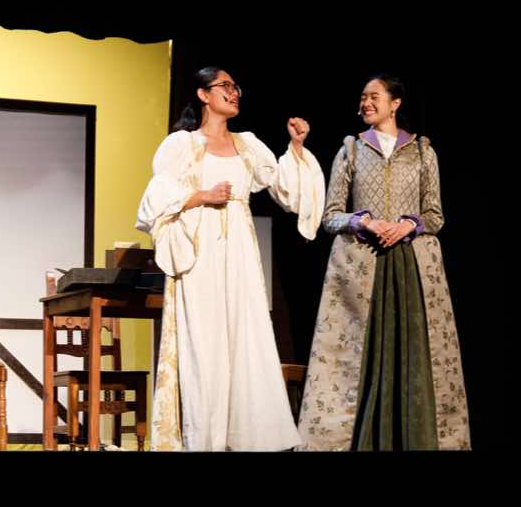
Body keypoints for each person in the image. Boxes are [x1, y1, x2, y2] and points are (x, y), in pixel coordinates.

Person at [135, 66, 325, 451]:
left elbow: (286, 191)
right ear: (203, 94)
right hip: (200, 251)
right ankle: (204, 439)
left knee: (245, 335)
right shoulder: (182, 144)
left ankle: (245, 438)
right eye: (225, 85)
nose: (234, 92)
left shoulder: (248, 144)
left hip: (239, 251)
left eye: (236, 86)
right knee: (204, 343)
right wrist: (202, 195)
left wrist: (296, 147)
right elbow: (154, 202)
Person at [297, 74, 470, 450]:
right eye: (363, 97)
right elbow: (331, 216)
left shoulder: (422, 151)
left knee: (414, 354)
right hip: (365, 267)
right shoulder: (351, 150)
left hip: (411, 268)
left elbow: (435, 215)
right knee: (358, 357)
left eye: (374, 96)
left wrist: (408, 224)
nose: (366, 103)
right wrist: (364, 222)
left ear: (395, 103)